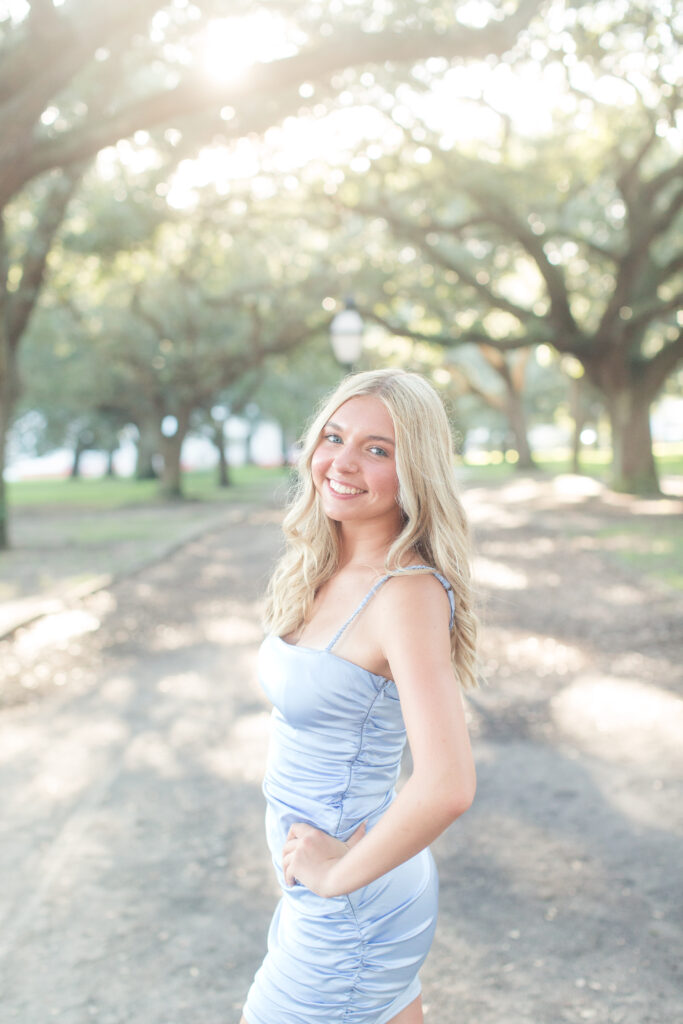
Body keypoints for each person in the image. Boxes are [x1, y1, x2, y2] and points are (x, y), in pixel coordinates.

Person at [240, 368, 478, 1024]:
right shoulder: (323, 566)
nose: (342, 462)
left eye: (377, 449)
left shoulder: (404, 593)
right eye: (334, 437)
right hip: (334, 891)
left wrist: (334, 876)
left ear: (415, 470)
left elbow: (448, 783)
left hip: (350, 896)